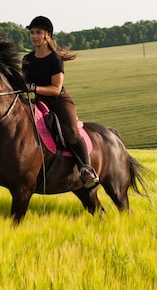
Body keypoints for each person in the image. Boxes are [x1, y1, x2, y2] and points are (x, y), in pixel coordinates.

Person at [22, 15, 99, 188]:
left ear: (47, 35)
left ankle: (86, 169)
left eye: (38, 32)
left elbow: (55, 88)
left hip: (59, 102)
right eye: (32, 33)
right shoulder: (27, 59)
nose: (34, 36)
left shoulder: (54, 60)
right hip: (38, 102)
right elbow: (24, 83)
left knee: (71, 132)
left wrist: (33, 88)